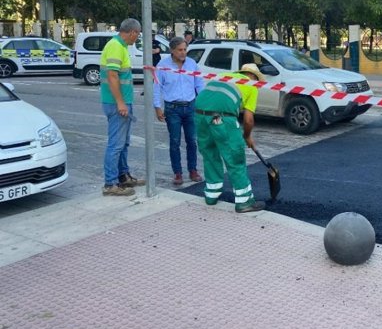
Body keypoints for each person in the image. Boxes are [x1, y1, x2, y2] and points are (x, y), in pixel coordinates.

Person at [193, 63, 266, 212]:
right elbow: (248, 120)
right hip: (221, 118)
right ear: (253, 77)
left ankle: (212, 195)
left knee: (210, 154)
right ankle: (245, 201)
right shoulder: (250, 85)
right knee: (235, 157)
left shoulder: (223, 77)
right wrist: (247, 136)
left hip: (199, 115)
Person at [100, 18, 146, 196]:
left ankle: (123, 177)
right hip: (116, 103)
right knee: (116, 145)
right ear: (133, 32)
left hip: (123, 102)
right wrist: (120, 102)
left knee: (123, 143)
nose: (137, 38)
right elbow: (112, 76)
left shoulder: (121, 46)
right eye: (138, 35)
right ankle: (110, 184)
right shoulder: (115, 46)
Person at [153, 36, 205, 186]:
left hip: (190, 107)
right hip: (172, 109)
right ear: (172, 50)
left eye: (185, 49)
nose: (183, 53)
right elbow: (156, 87)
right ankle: (177, 173)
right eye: (180, 50)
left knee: (192, 141)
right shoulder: (162, 65)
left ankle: (193, 170)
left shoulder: (192, 64)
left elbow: (199, 84)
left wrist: (203, 103)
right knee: (174, 142)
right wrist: (157, 107)